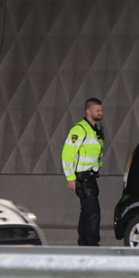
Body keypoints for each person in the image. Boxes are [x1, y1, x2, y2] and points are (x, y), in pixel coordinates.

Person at [61, 98, 104, 246]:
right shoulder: (79, 129)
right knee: (93, 212)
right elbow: (67, 154)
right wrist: (70, 178)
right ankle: (92, 244)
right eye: (97, 110)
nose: (100, 113)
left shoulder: (94, 129)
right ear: (88, 111)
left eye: (101, 110)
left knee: (87, 212)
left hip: (90, 176)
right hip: (83, 177)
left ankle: (84, 243)